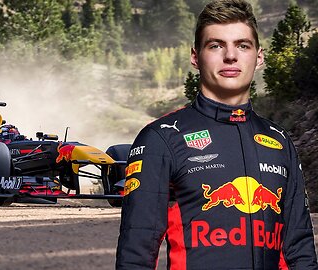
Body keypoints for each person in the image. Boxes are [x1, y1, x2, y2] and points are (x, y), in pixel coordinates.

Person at [116, 0, 318, 269]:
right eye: (216, 45)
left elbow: (300, 249)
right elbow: (136, 251)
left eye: (242, 45)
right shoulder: (160, 138)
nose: (230, 56)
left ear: (259, 57)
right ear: (195, 57)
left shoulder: (279, 140)